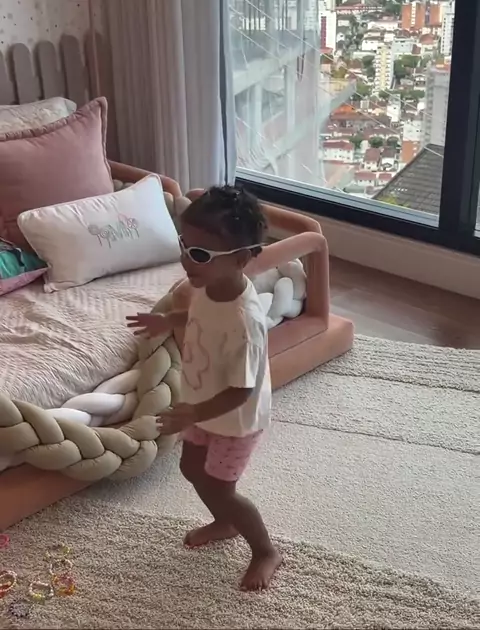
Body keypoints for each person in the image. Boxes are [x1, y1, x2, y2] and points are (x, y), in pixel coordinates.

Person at [126, 186, 281, 591]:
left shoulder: (245, 323)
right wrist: (169, 321)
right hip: (200, 403)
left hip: (235, 420)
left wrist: (193, 413)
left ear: (242, 258)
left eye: (199, 253)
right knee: (191, 469)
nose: (185, 259)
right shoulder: (206, 284)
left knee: (221, 488)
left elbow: (242, 391)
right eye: (184, 245)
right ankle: (224, 523)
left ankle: (265, 550)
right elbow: (199, 315)